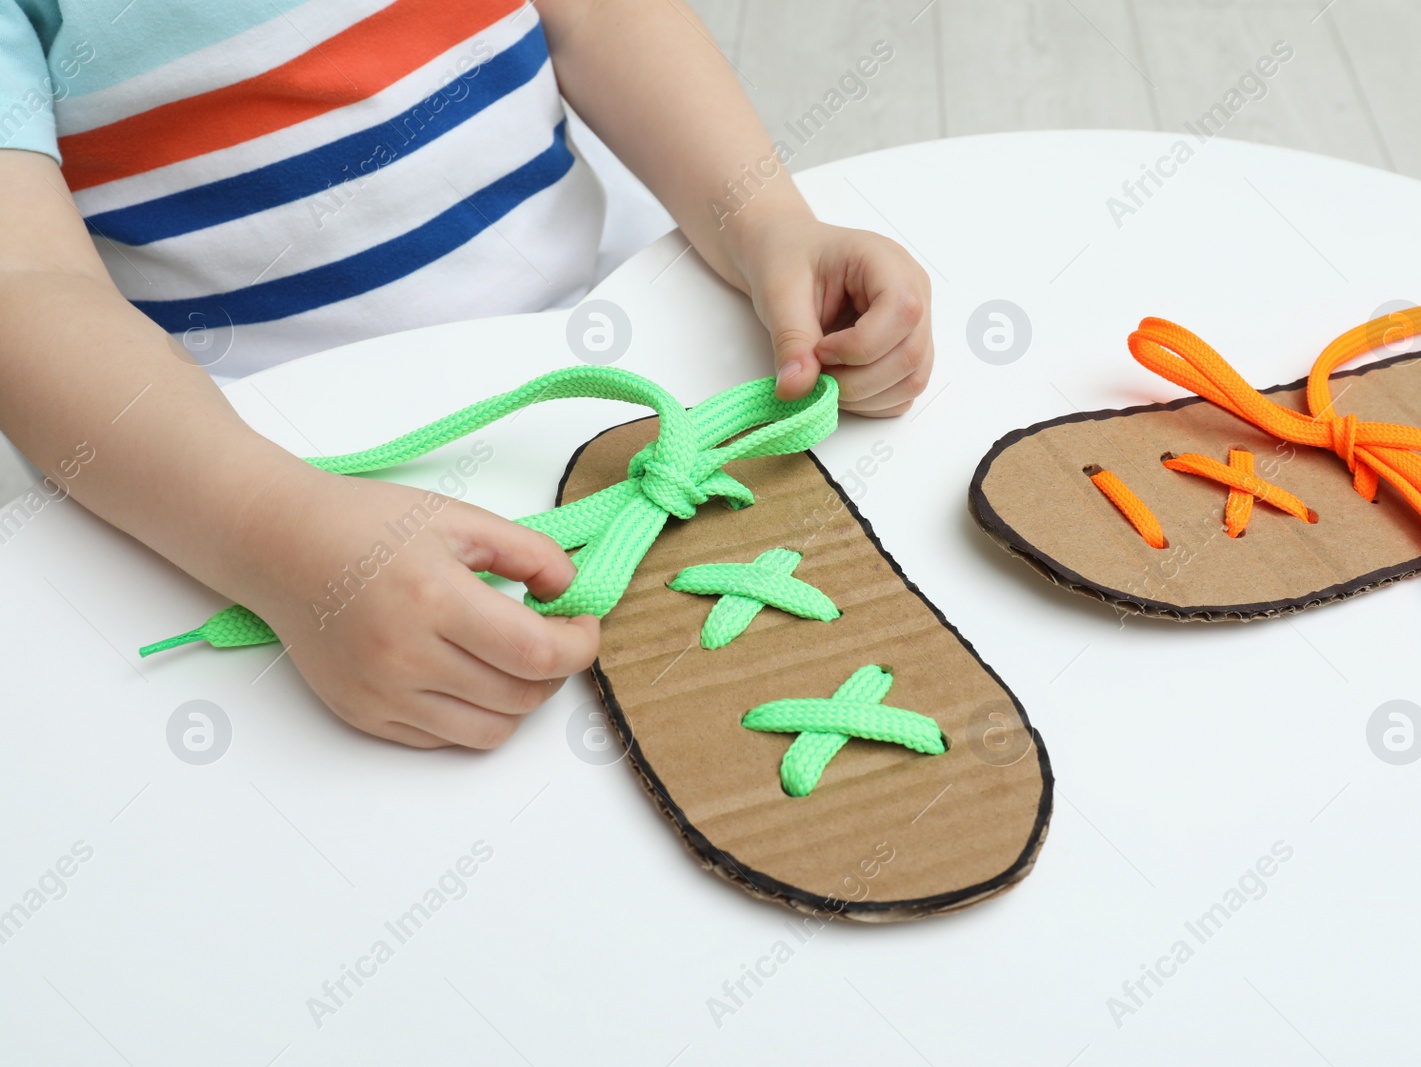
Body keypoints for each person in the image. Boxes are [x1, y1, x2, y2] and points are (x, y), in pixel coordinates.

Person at [0, 0, 933, 748]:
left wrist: (767, 223)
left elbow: (600, 17)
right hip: (271, 479)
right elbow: (26, 285)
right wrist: (277, 537)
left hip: (609, 356)